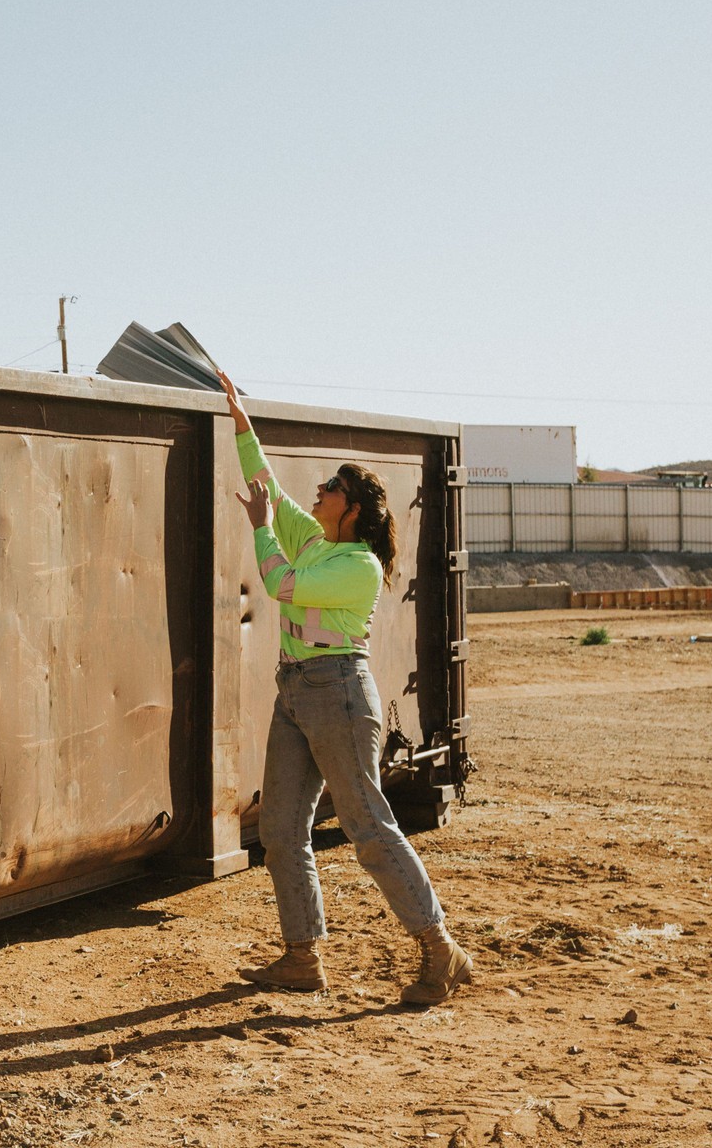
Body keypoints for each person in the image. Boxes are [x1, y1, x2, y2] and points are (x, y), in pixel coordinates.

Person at [217, 368, 472, 1006]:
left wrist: (260, 527)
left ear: (350, 508)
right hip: (298, 689)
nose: (320, 489)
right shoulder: (316, 539)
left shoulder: (356, 564)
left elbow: (278, 582)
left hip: (338, 691)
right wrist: (241, 419)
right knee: (280, 826)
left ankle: (440, 949)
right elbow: (267, 484)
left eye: (331, 487)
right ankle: (302, 957)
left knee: (366, 824)